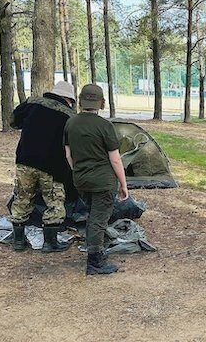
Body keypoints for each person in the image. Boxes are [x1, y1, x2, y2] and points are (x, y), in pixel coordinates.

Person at [64, 84, 129, 275]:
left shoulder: (71, 123)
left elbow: (68, 155)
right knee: (98, 220)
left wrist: (78, 172)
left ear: (81, 100)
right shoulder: (105, 126)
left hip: (81, 180)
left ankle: (96, 253)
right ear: (101, 103)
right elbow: (115, 159)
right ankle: (95, 261)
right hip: (103, 182)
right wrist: (123, 184)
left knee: (93, 215)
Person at [9, 81, 76, 253]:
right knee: (54, 202)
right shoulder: (69, 115)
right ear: (69, 99)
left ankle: (18, 241)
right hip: (52, 166)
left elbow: (14, 121)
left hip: (25, 160)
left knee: (22, 198)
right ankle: (50, 243)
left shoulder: (32, 103)